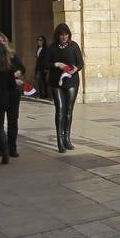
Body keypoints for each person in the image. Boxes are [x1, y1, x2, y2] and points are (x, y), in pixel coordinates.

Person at [47, 23, 84, 152]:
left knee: (69, 109)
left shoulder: (74, 46)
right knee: (60, 109)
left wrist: (75, 69)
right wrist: (56, 64)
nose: (64, 37)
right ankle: (59, 141)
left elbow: (80, 63)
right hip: (56, 82)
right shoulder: (52, 48)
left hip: (71, 81)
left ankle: (67, 138)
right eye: (61, 35)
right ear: (57, 36)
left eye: (66, 34)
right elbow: (45, 64)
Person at [0, 32, 25, 158]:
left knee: (13, 121)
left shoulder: (12, 55)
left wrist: (12, 76)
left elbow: (22, 68)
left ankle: (12, 147)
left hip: (13, 92)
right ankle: (2, 147)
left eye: (4, 41)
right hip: (0, 93)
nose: (2, 44)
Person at [32, 35, 50, 102]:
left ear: (44, 41)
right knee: (40, 80)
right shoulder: (38, 49)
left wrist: (46, 68)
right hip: (38, 66)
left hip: (43, 67)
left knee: (42, 81)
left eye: (41, 40)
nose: (39, 41)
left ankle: (44, 94)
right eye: (38, 40)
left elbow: (46, 59)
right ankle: (41, 94)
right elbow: (37, 58)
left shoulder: (46, 49)